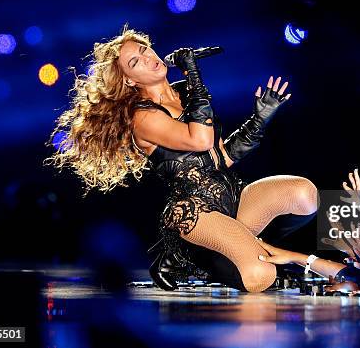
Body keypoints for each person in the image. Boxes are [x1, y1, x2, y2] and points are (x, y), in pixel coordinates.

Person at [44, 25, 319, 292]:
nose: (149, 58)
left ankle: (241, 249)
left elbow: (219, 157)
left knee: (305, 194)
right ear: (129, 79)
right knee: (261, 275)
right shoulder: (141, 116)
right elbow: (199, 139)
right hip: (194, 213)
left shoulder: (186, 93)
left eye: (145, 50)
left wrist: (259, 119)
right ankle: (187, 257)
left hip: (232, 198)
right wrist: (192, 72)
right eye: (135, 61)